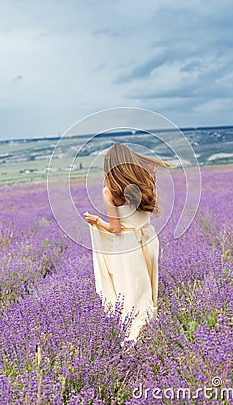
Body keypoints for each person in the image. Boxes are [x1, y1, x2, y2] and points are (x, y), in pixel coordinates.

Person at [83, 142, 170, 345]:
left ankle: (133, 341)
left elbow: (116, 229)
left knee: (131, 293)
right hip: (148, 239)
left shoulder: (110, 192)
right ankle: (152, 335)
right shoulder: (146, 181)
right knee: (148, 288)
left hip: (126, 248)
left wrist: (96, 221)